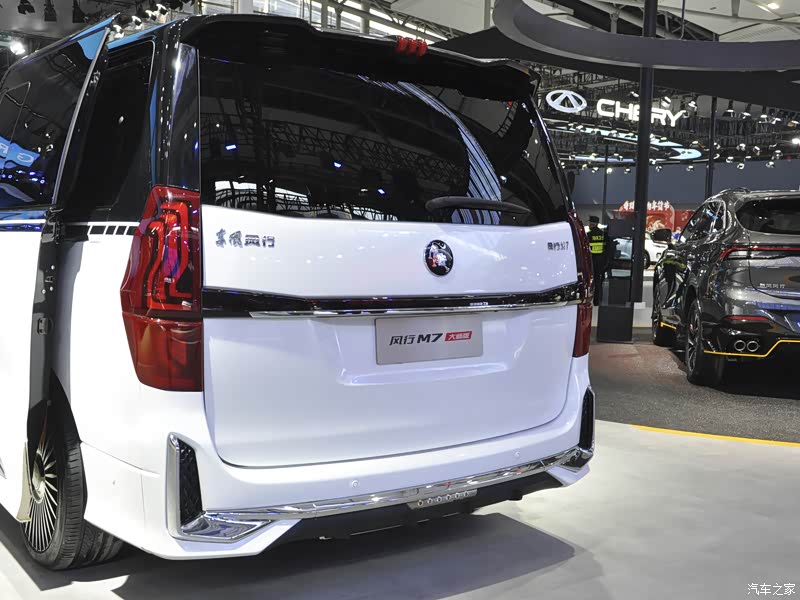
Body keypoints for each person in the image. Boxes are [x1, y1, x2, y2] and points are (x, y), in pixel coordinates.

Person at [587, 216, 610, 305]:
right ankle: (597, 300)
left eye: (590, 223)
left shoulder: (589, 235)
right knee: (599, 282)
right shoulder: (603, 234)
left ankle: (590, 299)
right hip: (601, 261)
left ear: (593, 224)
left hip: (592, 261)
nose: (589, 225)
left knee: (591, 281)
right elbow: (607, 248)